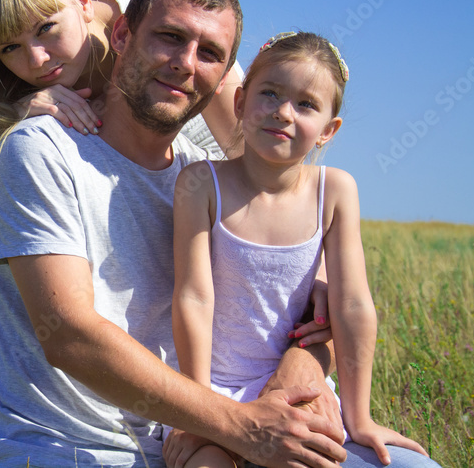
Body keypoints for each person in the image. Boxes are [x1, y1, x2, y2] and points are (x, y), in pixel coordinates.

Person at [0, 0, 351, 467]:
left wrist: (304, 365)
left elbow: (295, 301)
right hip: (78, 451)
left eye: (210, 54)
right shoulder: (38, 150)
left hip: (211, 437)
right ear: (123, 34)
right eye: (170, 37)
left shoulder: (208, 182)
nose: (185, 64)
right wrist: (243, 427)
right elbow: (66, 334)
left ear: (224, 80)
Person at [167, 32, 433, 468]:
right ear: (239, 103)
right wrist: (197, 411)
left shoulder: (335, 190)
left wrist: (359, 416)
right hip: (211, 392)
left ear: (329, 130)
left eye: (306, 104)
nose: (283, 112)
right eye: (269, 93)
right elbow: (193, 297)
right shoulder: (201, 184)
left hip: (299, 395)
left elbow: (352, 304)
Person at [0, 0, 241, 265]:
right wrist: (15, 110)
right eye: (10, 48)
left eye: (47, 28)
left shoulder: (157, 10)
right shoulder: (20, 104)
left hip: (209, 159)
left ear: (82, 0)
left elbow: (249, 143)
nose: (36, 60)